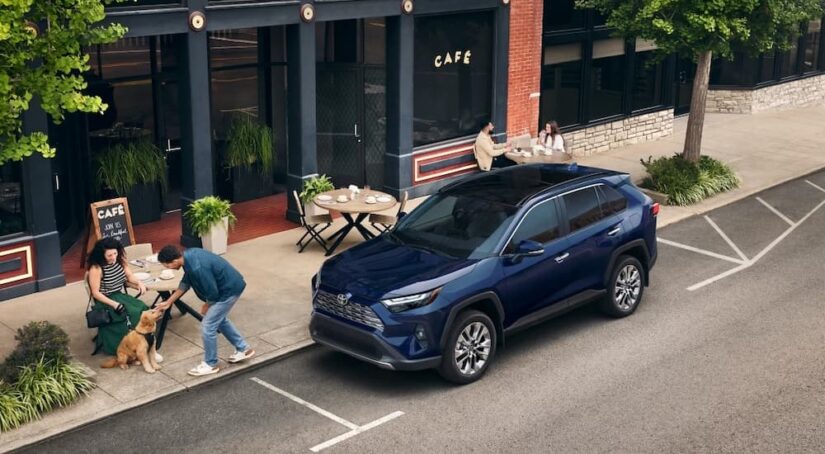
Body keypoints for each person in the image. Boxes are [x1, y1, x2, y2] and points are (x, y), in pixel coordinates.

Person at [155, 245, 255, 376]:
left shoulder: (197, 267)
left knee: (208, 325)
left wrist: (207, 305)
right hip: (231, 285)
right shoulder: (188, 256)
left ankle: (210, 364)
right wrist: (168, 302)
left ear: (174, 261)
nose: (169, 269)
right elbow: (186, 282)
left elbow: (212, 292)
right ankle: (243, 348)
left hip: (228, 290)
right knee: (218, 319)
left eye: (167, 266)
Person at [87, 237, 153, 358]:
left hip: (120, 295)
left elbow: (129, 276)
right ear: (101, 255)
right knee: (133, 313)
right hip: (106, 300)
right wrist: (114, 304)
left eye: (115, 253)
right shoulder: (96, 268)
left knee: (143, 308)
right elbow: (96, 293)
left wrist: (139, 283)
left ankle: (142, 343)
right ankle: (128, 347)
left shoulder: (120, 260)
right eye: (109, 255)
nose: (113, 257)